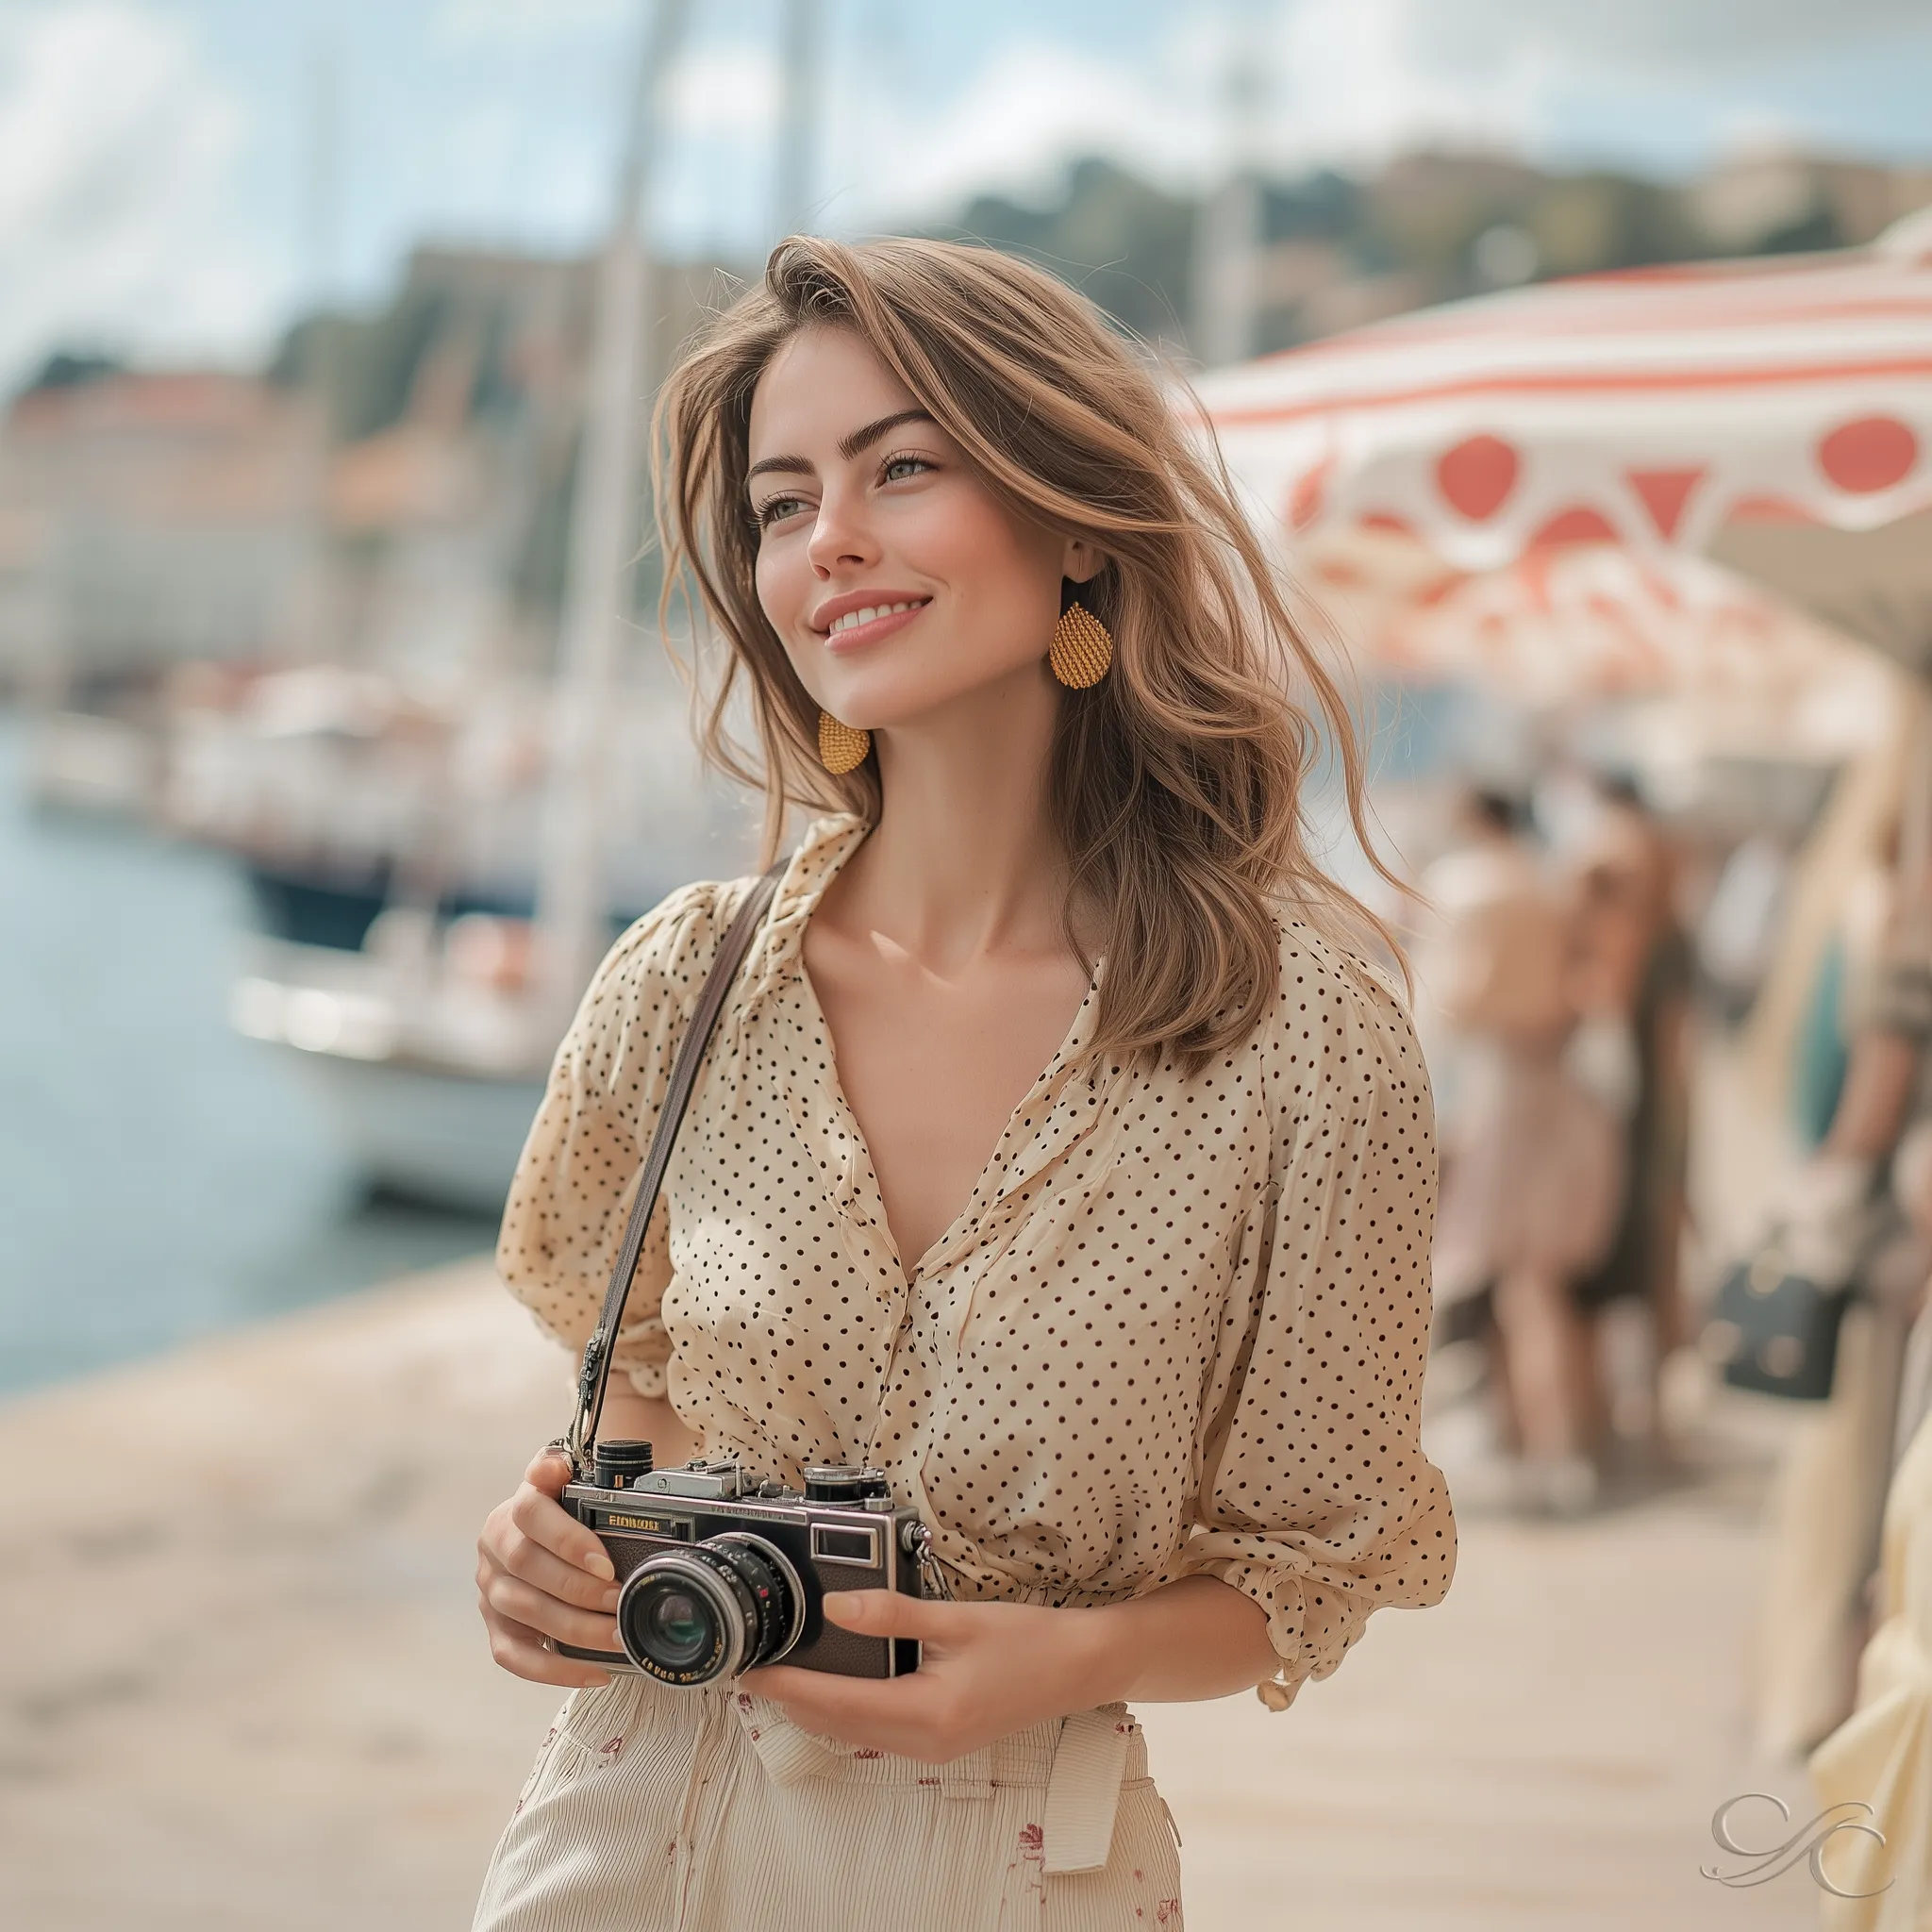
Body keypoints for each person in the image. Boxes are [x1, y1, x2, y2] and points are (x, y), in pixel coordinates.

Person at [466, 236, 1457, 1930]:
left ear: (1076, 516)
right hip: (630, 1826)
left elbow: (1318, 1554)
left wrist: (1053, 1660)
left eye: (899, 468)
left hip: (1018, 1860)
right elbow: (625, 1386)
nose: (825, 539)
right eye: (781, 504)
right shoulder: (682, 983)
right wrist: (543, 1555)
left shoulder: (1304, 1042)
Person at [1423, 784, 1625, 1516]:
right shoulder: (1546, 887)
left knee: (1518, 1285)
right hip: (1558, 1091)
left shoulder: (1473, 890)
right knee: (1532, 1287)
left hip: (1506, 1092)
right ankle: (1545, 1442)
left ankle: (1551, 1449)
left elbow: (1466, 997)